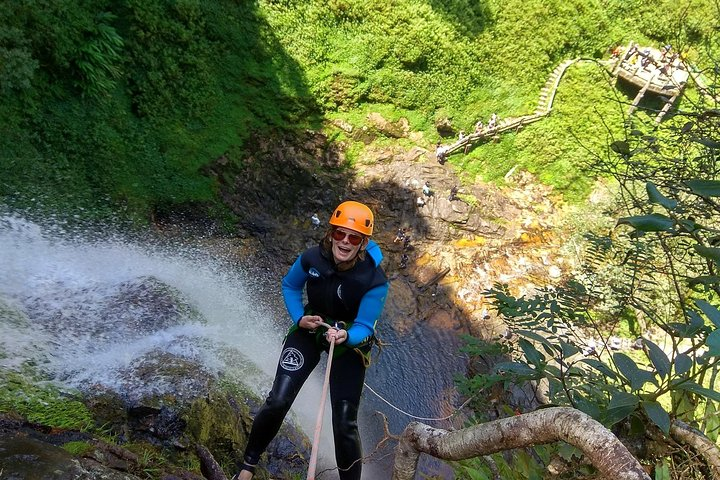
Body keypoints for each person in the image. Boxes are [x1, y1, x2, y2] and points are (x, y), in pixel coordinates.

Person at [233, 201, 389, 480]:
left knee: (344, 422)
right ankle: (247, 466)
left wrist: (345, 336)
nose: (344, 242)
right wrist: (298, 319)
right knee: (278, 400)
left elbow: (366, 325)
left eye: (353, 237)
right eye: (339, 234)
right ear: (330, 233)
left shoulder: (373, 280)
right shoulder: (311, 258)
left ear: (363, 243)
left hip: (348, 340)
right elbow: (290, 285)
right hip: (310, 327)